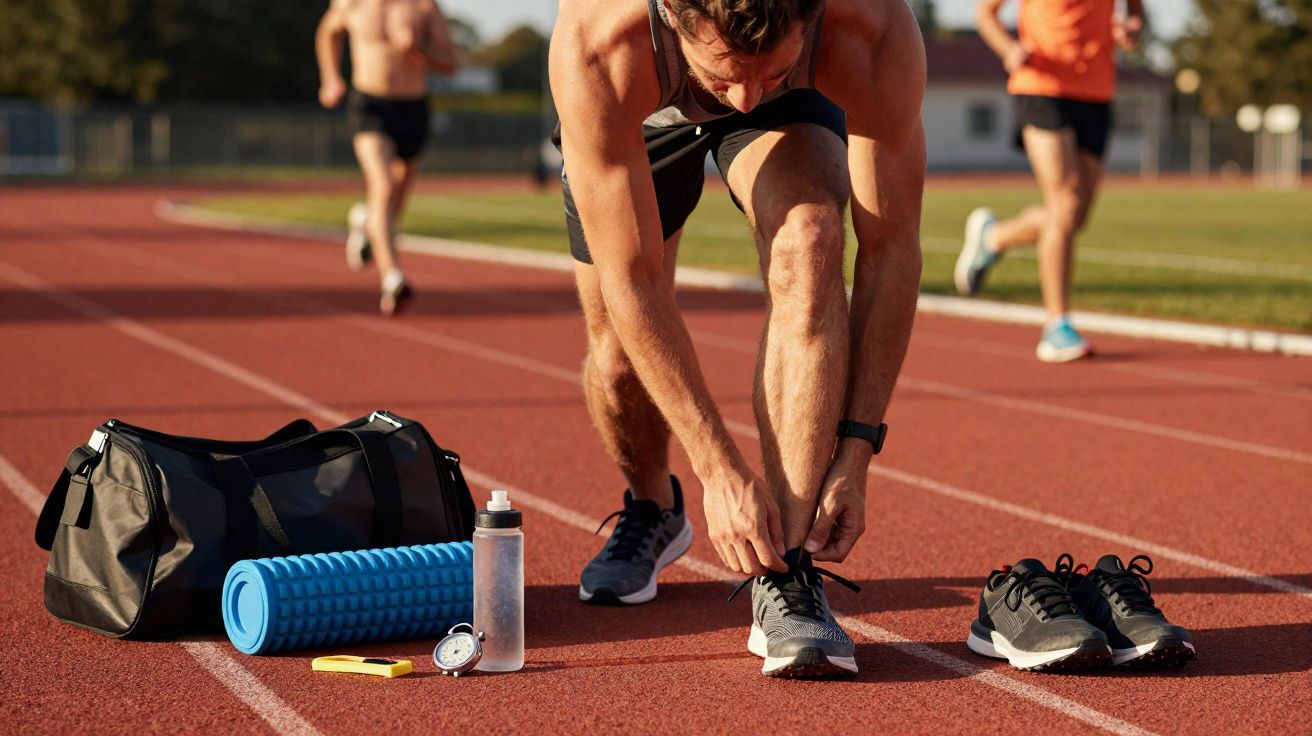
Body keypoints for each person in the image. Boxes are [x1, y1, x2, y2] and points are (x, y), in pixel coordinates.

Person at [550, 0, 925, 677]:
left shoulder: (870, 29)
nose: (745, 97)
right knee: (615, 365)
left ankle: (786, 569)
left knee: (810, 243)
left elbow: (892, 248)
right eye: (725, 79)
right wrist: (716, 468)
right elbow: (632, 279)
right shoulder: (600, 43)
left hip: (794, 113)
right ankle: (654, 508)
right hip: (644, 108)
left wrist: (858, 447)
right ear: (672, 15)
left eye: (769, 71)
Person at [956, 0, 1143, 362]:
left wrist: (1132, 27)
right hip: (1041, 82)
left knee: (1075, 217)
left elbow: (1135, 11)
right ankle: (1057, 325)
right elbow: (985, 14)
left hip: (1096, 92)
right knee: (1066, 201)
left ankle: (993, 237)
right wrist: (1009, 48)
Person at [316, 0, 458, 316]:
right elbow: (327, 33)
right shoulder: (351, 3)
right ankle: (392, 277)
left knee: (397, 199)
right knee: (381, 185)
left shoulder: (424, 7)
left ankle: (366, 221)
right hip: (370, 106)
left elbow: (450, 63)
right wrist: (330, 78)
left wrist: (417, 47)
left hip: (413, 108)